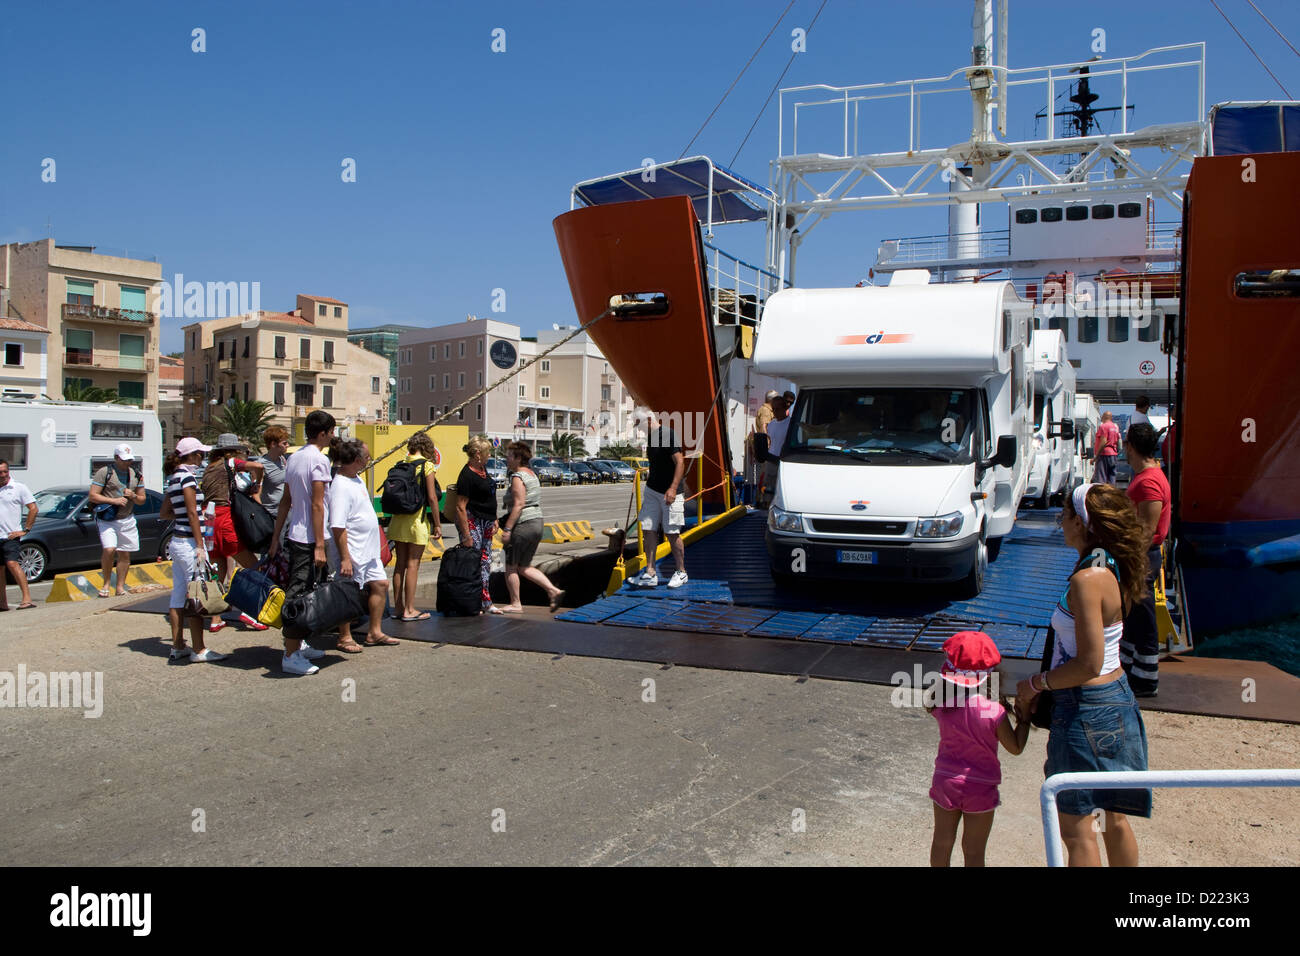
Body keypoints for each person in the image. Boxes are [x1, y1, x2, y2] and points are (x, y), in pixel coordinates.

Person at [1016, 483, 1153, 867]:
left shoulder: (1086, 579)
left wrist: (1034, 685)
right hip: (1116, 701)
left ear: (1082, 521)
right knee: (1113, 819)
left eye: (1064, 515)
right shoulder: (1111, 564)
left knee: (1078, 830)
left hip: (1086, 708)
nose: (1060, 523)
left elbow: (1088, 664)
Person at [927, 631, 1030, 867]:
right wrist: (1024, 720)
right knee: (974, 852)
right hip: (980, 787)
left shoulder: (942, 704)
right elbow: (1015, 748)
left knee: (942, 843)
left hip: (945, 782)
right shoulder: (993, 711)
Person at [269, 410, 337, 675]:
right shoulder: (319, 460)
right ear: (322, 433)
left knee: (305, 592)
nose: (333, 436)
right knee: (299, 594)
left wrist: (276, 537)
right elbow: (317, 504)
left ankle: (301, 643)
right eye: (331, 431)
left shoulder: (294, 458)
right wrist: (320, 545)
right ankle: (291, 653)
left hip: (295, 535)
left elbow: (285, 501)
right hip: (309, 539)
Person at [328, 440, 398, 648]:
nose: (369, 460)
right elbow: (338, 526)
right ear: (357, 460)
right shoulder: (340, 485)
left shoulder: (356, 478)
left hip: (368, 550)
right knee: (347, 592)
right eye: (367, 457)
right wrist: (345, 558)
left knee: (380, 584)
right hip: (353, 550)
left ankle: (374, 632)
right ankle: (344, 636)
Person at [159, 438, 224, 662]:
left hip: (177, 540)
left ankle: (178, 645)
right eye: (200, 454)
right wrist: (199, 543)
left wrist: (186, 517)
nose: (202, 458)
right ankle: (199, 649)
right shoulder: (186, 477)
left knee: (178, 596)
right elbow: (191, 512)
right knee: (197, 594)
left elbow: (165, 512)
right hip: (188, 543)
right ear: (193, 455)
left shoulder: (173, 478)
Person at [1121, 423, 1171, 698]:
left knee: (1143, 615)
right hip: (1140, 555)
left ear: (1131, 446)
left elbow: (1148, 528)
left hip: (1143, 556)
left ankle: (1146, 679)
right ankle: (1131, 670)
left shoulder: (1149, 480)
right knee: (1134, 614)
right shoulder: (1145, 475)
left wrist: (1131, 558)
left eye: (1126, 445)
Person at [199, 434, 267, 633]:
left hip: (209, 518)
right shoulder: (229, 463)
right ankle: (249, 612)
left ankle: (215, 618)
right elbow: (258, 467)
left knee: (219, 570)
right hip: (224, 516)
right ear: (231, 451)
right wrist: (258, 483)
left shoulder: (209, 468)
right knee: (253, 566)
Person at [497, 441, 564, 613]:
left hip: (523, 524)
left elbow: (519, 504)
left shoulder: (518, 477)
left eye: (510, 456)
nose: (507, 459)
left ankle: (515, 603)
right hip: (537, 521)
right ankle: (553, 590)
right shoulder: (532, 475)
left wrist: (508, 529)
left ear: (518, 458)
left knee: (511, 566)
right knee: (524, 566)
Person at [388, 432, 443, 622]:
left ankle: (397, 608)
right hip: (416, 522)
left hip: (397, 521)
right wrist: (437, 523)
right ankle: (410, 609)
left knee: (399, 566)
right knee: (413, 565)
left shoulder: (402, 463)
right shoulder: (426, 465)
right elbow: (432, 497)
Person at [629, 412, 687, 589]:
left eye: (639, 425)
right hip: (653, 490)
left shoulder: (667, 434)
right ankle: (650, 572)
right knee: (648, 528)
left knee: (671, 532)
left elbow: (680, 461)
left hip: (670, 492)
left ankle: (681, 572)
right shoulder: (651, 438)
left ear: (648, 420)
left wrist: (673, 488)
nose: (638, 429)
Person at [87, 444, 147, 598]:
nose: (128, 463)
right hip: (108, 519)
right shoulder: (105, 472)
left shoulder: (136, 474)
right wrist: (114, 501)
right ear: (116, 458)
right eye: (124, 460)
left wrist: (133, 496)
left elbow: (142, 499)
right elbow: (93, 496)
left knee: (124, 554)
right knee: (109, 549)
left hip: (126, 519)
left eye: (129, 460)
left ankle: (120, 586)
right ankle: (106, 583)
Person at [454, 436, 500, 614]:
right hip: (474, 520)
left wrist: (494, 517)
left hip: (486, 520)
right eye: (488, 452)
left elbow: (489, 494)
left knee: (486, 560)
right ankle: (475, 600)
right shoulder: (466, 475)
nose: (490, 455)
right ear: (478, 454)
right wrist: (466, 535)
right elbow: (460, 506)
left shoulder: (483, 468)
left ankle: (485, 600)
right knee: (474, 561)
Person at [0, 459, 38, 611]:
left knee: (12, 564)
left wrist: (25, 530)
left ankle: (27, 599)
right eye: (0, 472)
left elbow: (33, 508)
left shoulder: (19, 488)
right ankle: (2, 603)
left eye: (5, 471)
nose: (3, 475)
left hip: (11, 536)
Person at [256, 426, 291, 520]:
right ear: (273, 444)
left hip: (286, 511)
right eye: (284, 443)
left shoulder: (282, 460)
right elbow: (256, 494)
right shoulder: (261, 464)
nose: (287, 445)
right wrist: (262, 515)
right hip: (272, 514)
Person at [762, 396, 790, 506]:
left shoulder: (790, 424)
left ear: (784, 409)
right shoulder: (772, 424)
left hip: (782, 461)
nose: (774, 412)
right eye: (773, 409)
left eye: (777, 409)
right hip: (771, 461)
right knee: (769, 490)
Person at [752, 390, 778, 505]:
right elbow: (764, 427)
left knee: (767, 474)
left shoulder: (768, 410)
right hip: (767, 448)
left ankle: (763, 499)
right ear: (772, 400)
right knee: (766, 474)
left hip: (767, 447)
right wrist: (768, 445)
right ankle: (762, 500)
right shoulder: (766, 411)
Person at [1093, 411, 1121, 484]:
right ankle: (1112, 494)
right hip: (1113, 455)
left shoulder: (1103, 426)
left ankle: (1102, 495)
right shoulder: (1115, 427)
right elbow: (1118, 442)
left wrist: (1096, 457)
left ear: (1104, 417)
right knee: (1112, 477)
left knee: (1101, 479)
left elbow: (1103, 441)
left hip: (1104, 454)